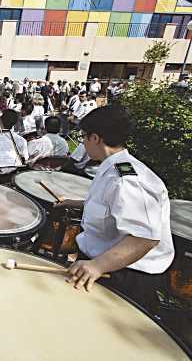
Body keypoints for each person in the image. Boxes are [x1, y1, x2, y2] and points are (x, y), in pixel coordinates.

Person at [58, 106, 174, 314]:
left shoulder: (128, 181)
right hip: (104, 264)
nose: (83, 143)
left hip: (123, 274)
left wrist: (97, 266)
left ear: (95, 138)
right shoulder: (113, 168)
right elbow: (111, 208)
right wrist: (75, 203)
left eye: (84, 137)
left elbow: (146, 238)